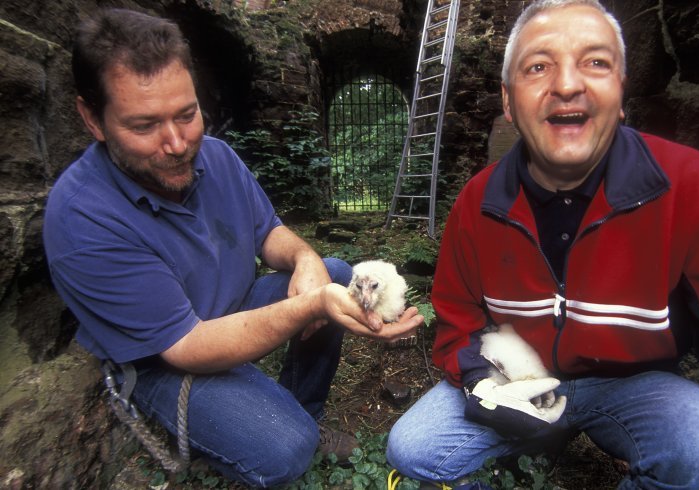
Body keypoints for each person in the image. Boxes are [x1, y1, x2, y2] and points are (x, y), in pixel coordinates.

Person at [386, 0, 699, 488]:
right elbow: (457, 318)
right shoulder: (476, 204)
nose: (566, 85)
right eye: (538, 66)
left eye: (595, 62)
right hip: (518, 377)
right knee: (412, 448)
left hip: (636, 385)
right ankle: (541, 436)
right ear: (508, 100)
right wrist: (482, 383)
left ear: (621, 92)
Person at [43, 7, 423, 488]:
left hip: (228, 307)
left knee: (330, 269)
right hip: (163, 358)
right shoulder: (81, 218)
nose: (178, 144)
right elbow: (188, 346)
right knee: (285, 449)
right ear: (92, 119)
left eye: (187, 114)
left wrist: (305, 260)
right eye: (144, 126)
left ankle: (299, 411)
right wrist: (310, 304)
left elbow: (270, 233)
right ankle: (283, 429)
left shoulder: (216, 157)